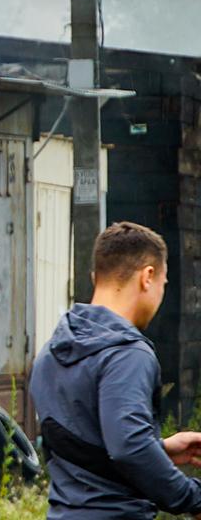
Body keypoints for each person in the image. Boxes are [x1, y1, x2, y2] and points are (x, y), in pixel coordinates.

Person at [31, 221, 201, 518]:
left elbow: (85, 446)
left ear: (96, 277)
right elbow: (128, 446)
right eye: (164, 283)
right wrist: (192, 499)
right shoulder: (128, 354)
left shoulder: (53, 351)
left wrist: (158, 449)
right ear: (147, 277)